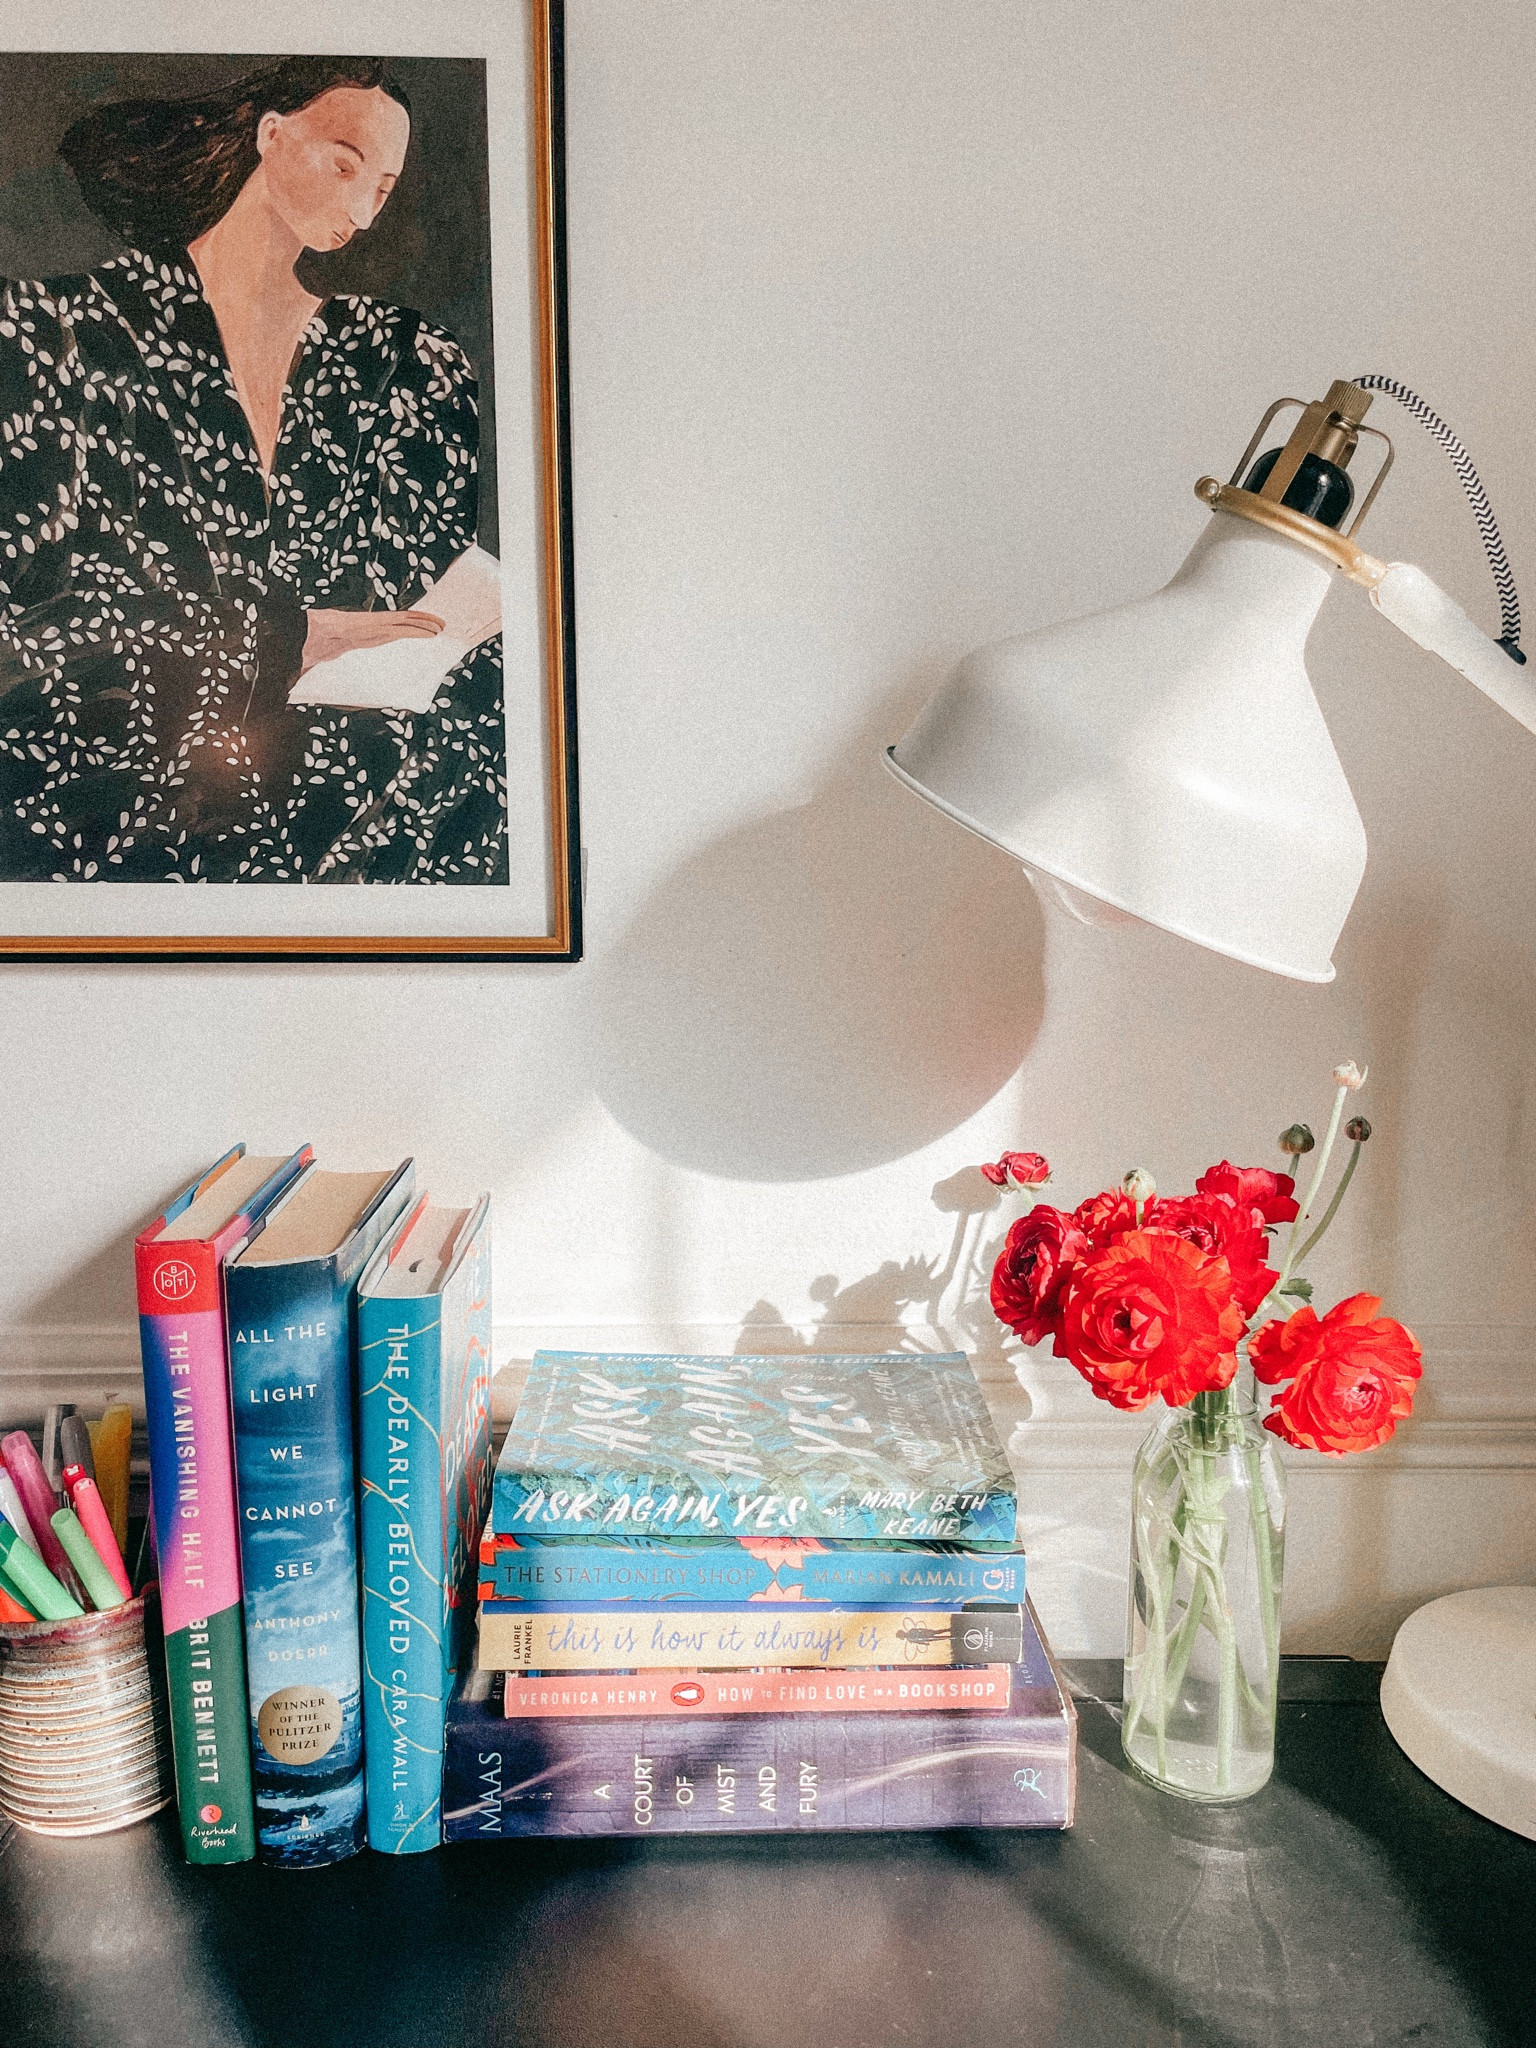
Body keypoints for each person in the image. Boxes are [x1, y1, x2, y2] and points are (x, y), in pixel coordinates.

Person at [0, 57, 508, 883]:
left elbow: (430, 624)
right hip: (102, 817)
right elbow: (24, 631)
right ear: (272, 133)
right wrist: (285, 637)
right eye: (345, 165)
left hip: (364, 818)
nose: (361, 211)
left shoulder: (408, 363)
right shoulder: (51, 335)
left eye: (383, 189)